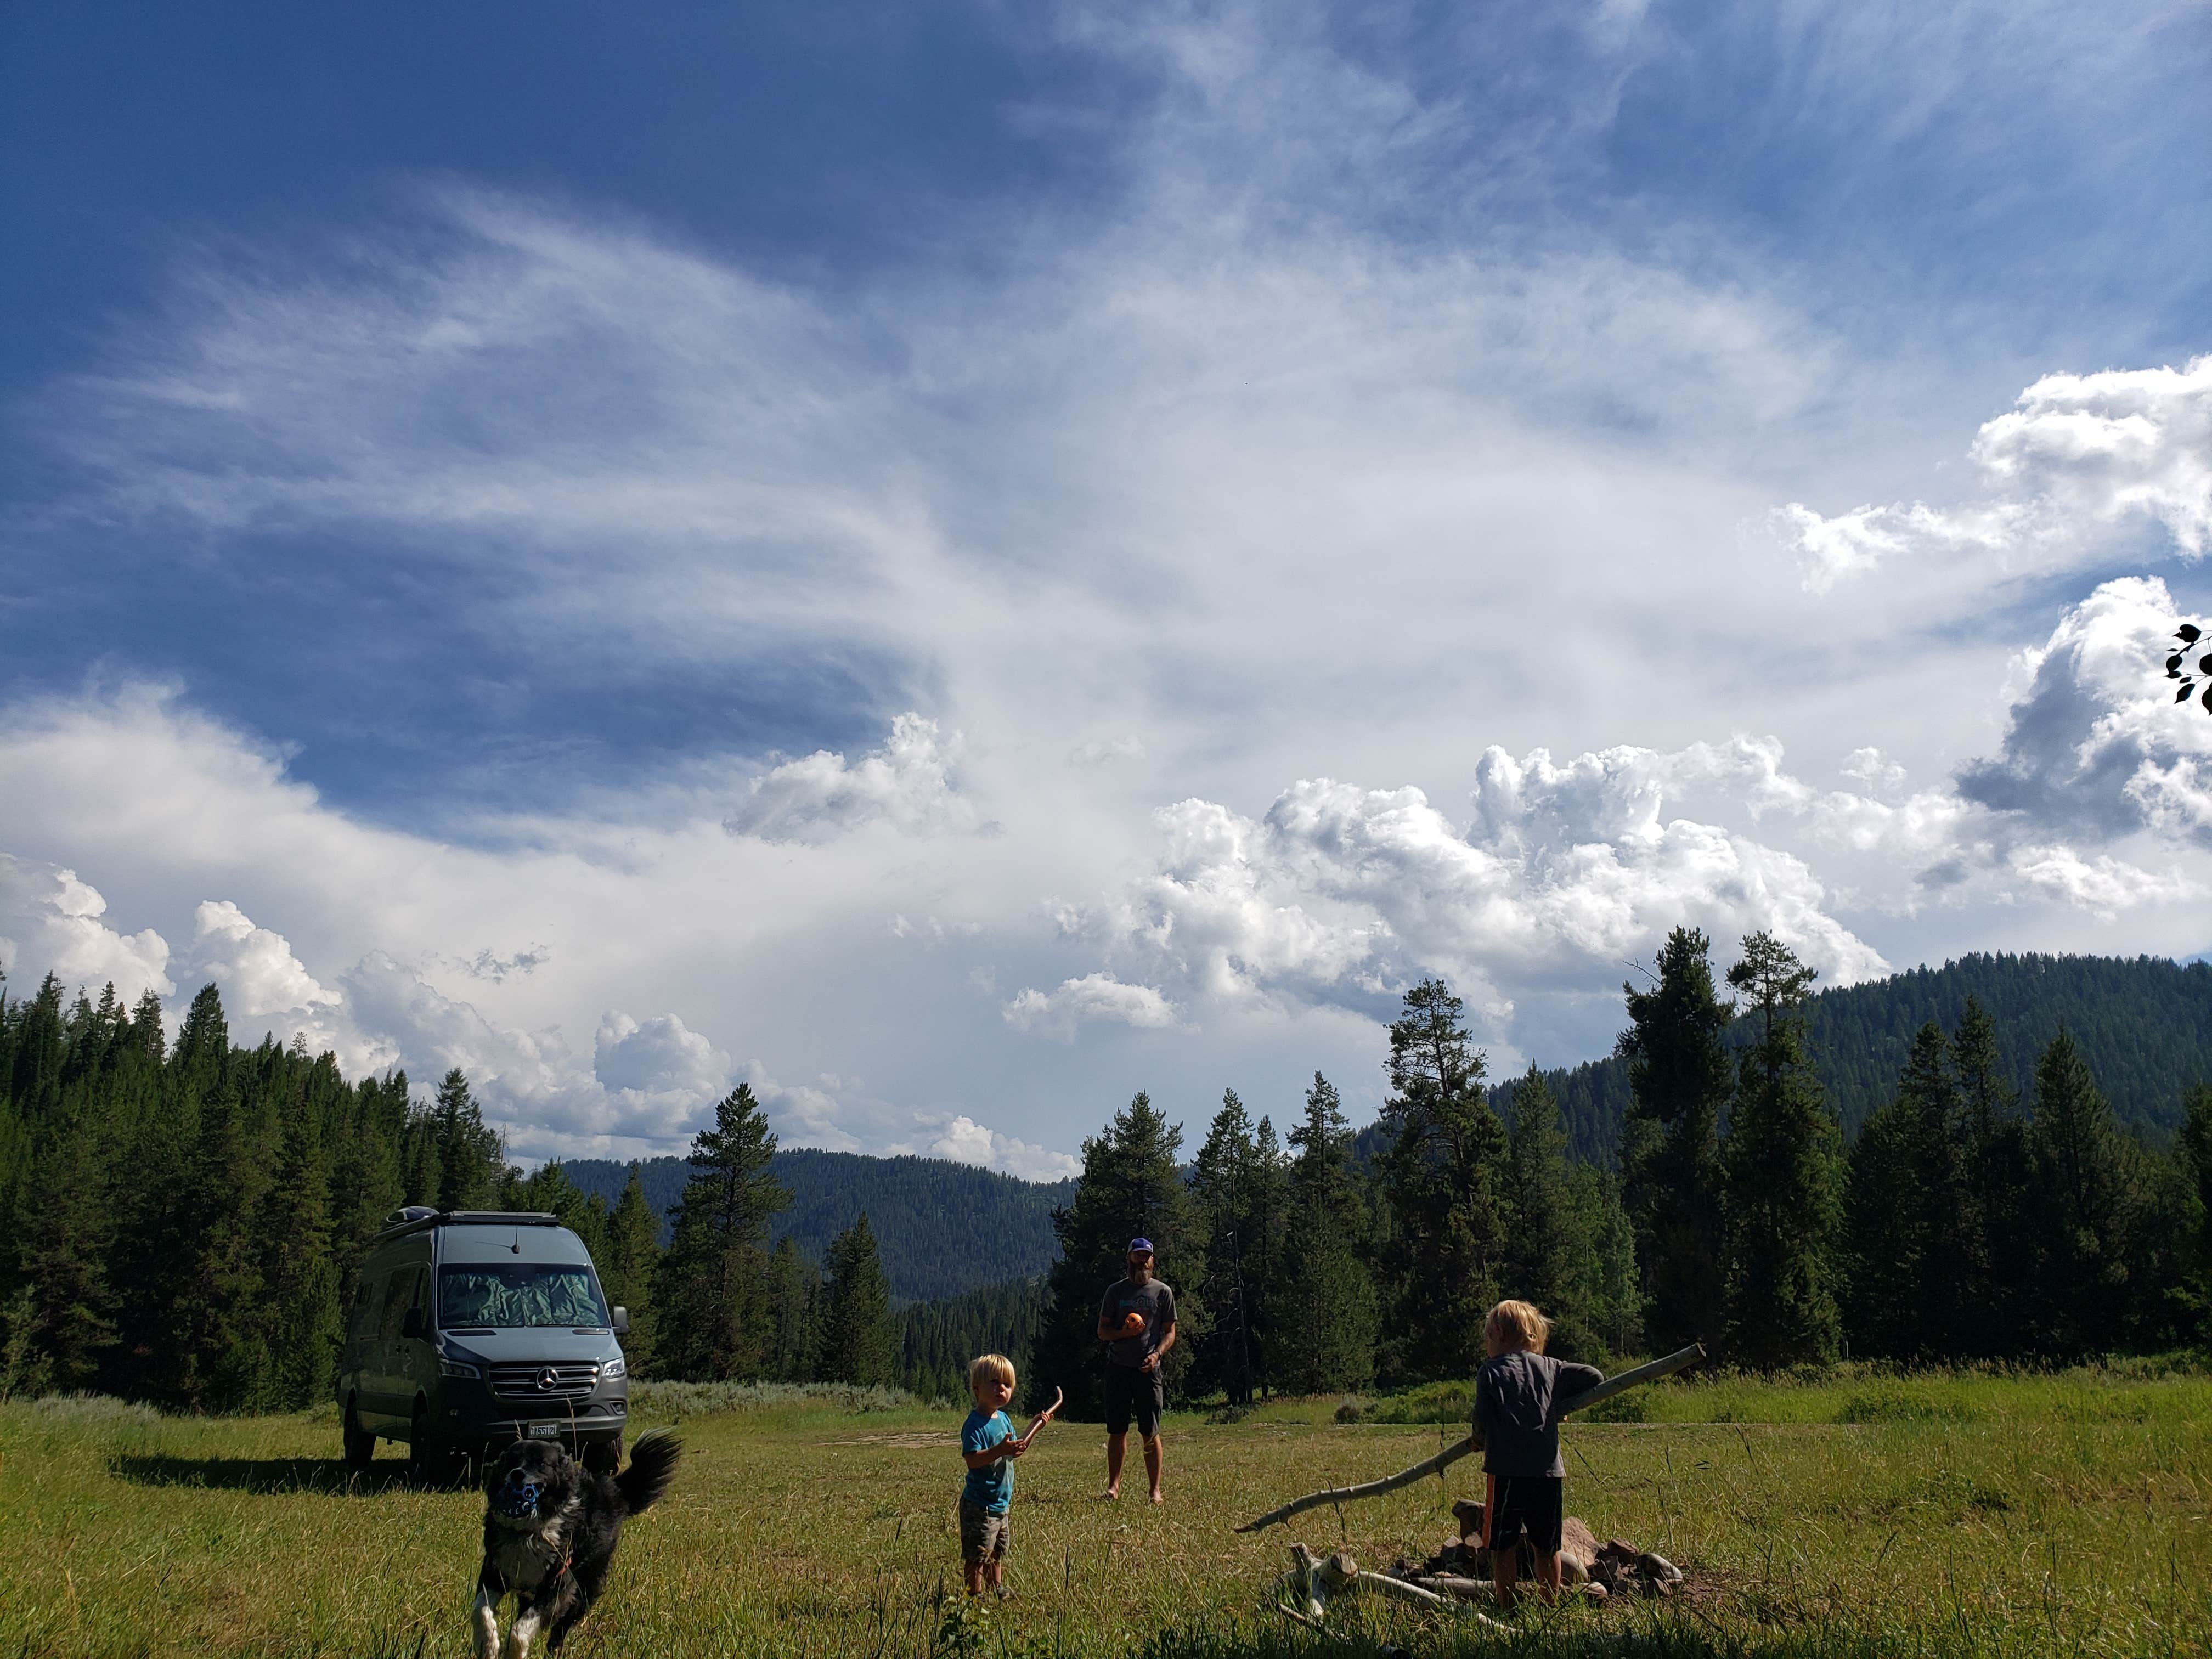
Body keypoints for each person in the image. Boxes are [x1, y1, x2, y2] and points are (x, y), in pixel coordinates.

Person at [1471, 1299, 1602, 1610]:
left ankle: (1507, 1604)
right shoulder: (1553, 1367)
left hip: (1506, 1471)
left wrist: (1479, 1439)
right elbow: (1594, 1377)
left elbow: (1482, 1417)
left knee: (1502, 1545)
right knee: (1547, 1545)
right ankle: (1549, 1605)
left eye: (1488, 1338)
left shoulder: (1490, 1371)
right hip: (1547, 1473)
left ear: (1499, 1334)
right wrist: (1558, 1402)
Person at [1096, 1237, 1176, 1503]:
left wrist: (1156, 1355)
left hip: (1148, 1371)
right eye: (1137, 1255)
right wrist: (1122, 1332)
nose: (1142, 1260)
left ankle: (1155, 1490)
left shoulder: (1162, 1293)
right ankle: (1114, 1487)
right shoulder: (1115, 1293)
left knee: (1150, 1431)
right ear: (1129, 1259)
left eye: (1147, 1256)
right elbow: (1103, 1332)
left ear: (1153, 1261)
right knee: (1117, 1431)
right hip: (1118, 1369)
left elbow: (1170, 1333)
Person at [958, 1353, 1026, 1596]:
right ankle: (974, 1594)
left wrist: (1018, 1446)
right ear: (977, 1389)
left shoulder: (1005, 1419)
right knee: (978, 1554)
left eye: (1007, 1385)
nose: (1001, 1389)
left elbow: (1012, 1452)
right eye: (995, 1382)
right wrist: (1000, 1450)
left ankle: (996, 1588)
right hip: (980, 1504)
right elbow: (973, 1460)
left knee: (996, 1551)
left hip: (1000, 1503)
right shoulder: (975, 1424)